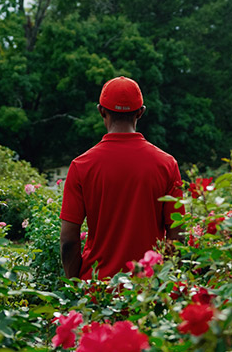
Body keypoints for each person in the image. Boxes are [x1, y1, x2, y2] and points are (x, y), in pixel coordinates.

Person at [59, 76, 183, 279]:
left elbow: (68, 240)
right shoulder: (167, 165)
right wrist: (161, 283)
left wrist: (75, 286)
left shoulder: (81, 166)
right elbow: (177, 235)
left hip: (96, 289)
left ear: (101, 111)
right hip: (147, 288)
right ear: (141, 112)